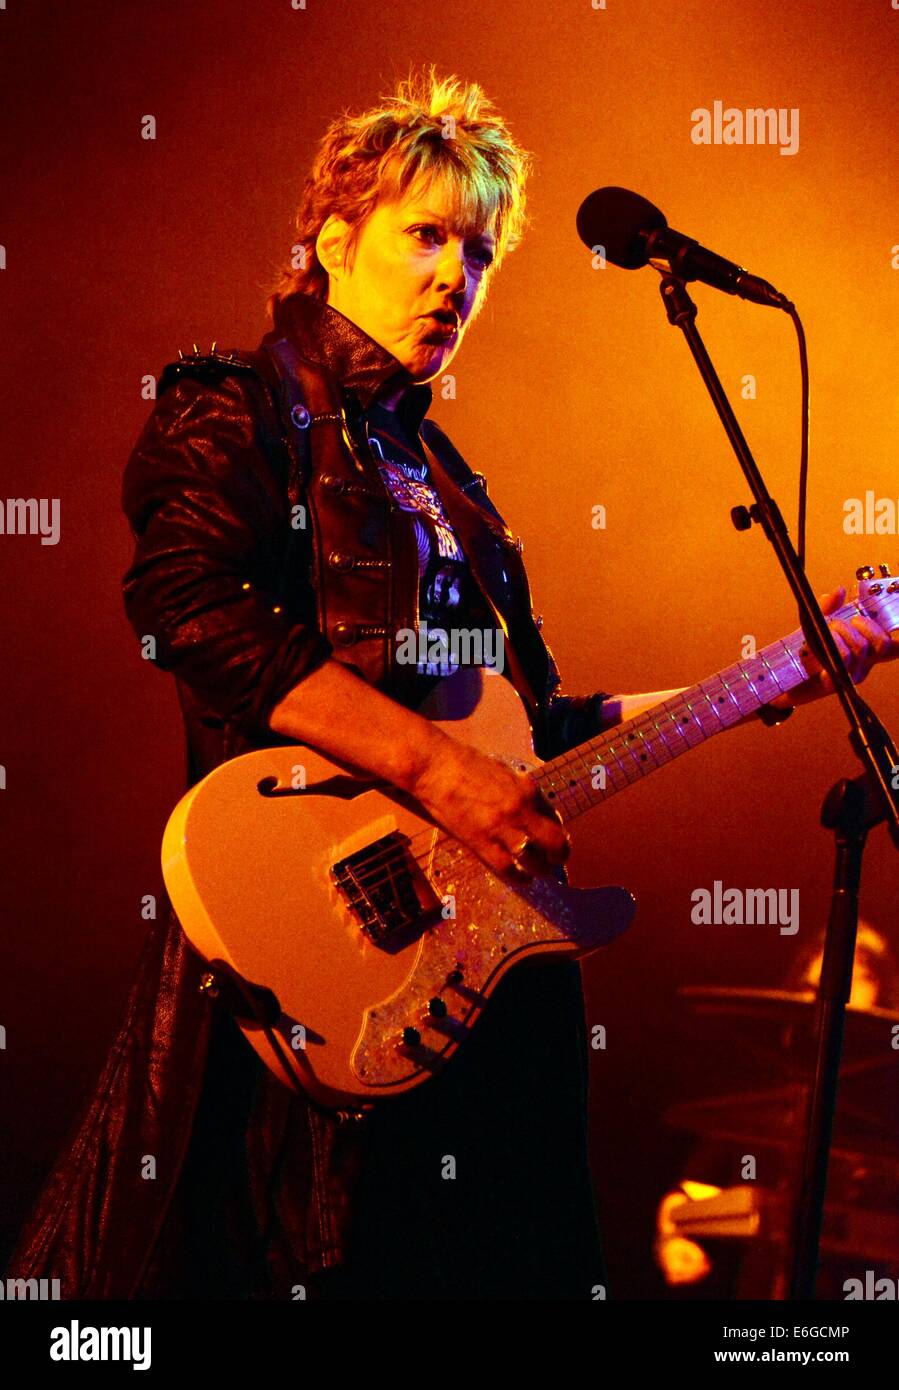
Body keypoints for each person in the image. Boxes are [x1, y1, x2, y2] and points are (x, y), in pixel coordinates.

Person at [5, 66, 895, 1302]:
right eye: (423, 235)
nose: (451, 277)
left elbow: (544, 731)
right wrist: (440, 775)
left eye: (475, 252)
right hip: (317, 963)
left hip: (479, 983)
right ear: (331, 238)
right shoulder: (236, 407)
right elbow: (190, 613)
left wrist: (781, 676)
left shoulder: (446, 475)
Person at [654, 922, 899, 1298]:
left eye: (849, 986)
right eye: (811, 990)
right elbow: (688, 1193)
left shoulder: (886, 1114)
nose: (822, 1003)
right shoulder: (775, 1103)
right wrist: (673, 1240)